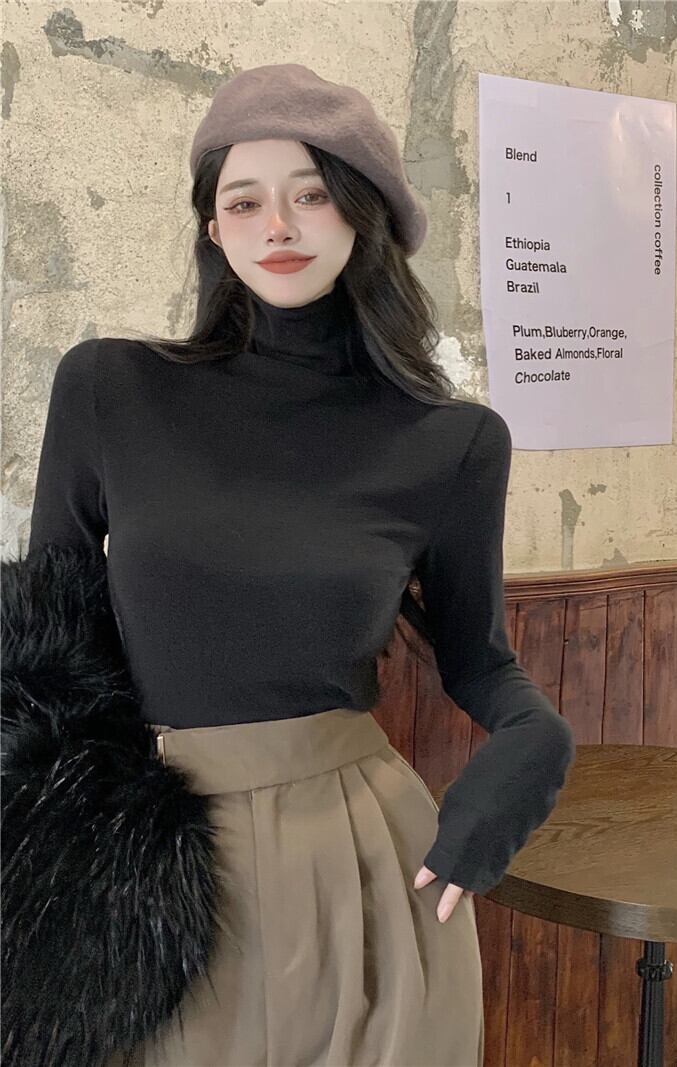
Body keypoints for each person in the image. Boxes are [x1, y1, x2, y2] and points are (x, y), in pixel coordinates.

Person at [22, 63, 575, 1067]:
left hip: (360, 862)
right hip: (146, 864)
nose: (277, 224)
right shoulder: (110, 389)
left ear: (364, 212)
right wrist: (58, 864)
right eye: (245, 200)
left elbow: (481, 661)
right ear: (213, 227)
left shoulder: (450, 442)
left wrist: (539, 738)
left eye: (311, 194)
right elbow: (40, 657)